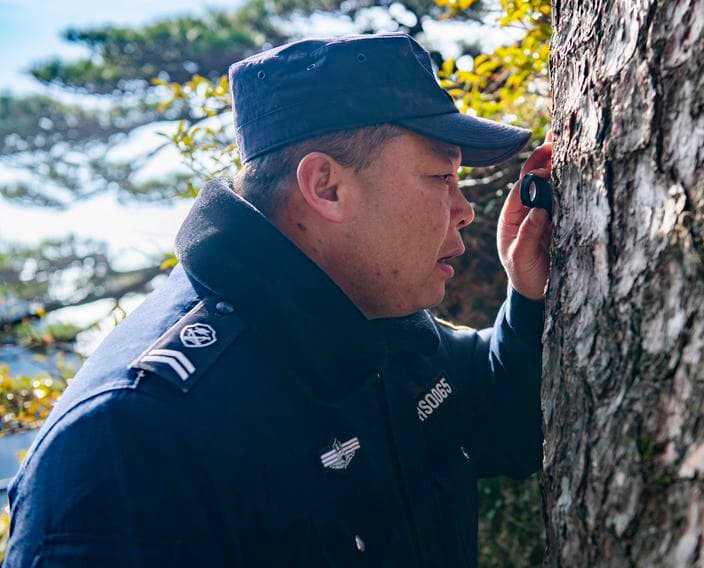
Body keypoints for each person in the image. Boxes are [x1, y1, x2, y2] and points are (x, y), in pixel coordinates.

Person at [3, 32, 552, 567]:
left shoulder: (373, 320)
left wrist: (531, 297)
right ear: (326, 186)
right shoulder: (130, 437)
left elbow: (503, 416)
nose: (466, 210)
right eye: (440, 176)